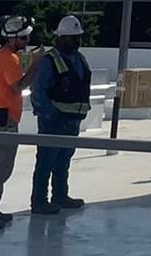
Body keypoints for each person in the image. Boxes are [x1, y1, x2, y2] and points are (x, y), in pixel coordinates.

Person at [0, 13, 37, 230]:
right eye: (23, 39)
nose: (26, 42)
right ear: (11, 39)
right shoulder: (8, 59)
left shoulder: (2, 56)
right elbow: (18, 87)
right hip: (3, 120)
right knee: (1, 168)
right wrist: (35, 66)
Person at [29, 13, 93, 215]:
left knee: (63, 160)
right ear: (61, 38)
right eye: (72, 38)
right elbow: (38, 92)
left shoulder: (79, 59)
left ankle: (60, 195)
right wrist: (51, 115)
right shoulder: (50, 60)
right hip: (54, 122)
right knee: (46, 161)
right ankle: (39, 200)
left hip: (72, 121)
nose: (76, 41)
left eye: (77, 38)